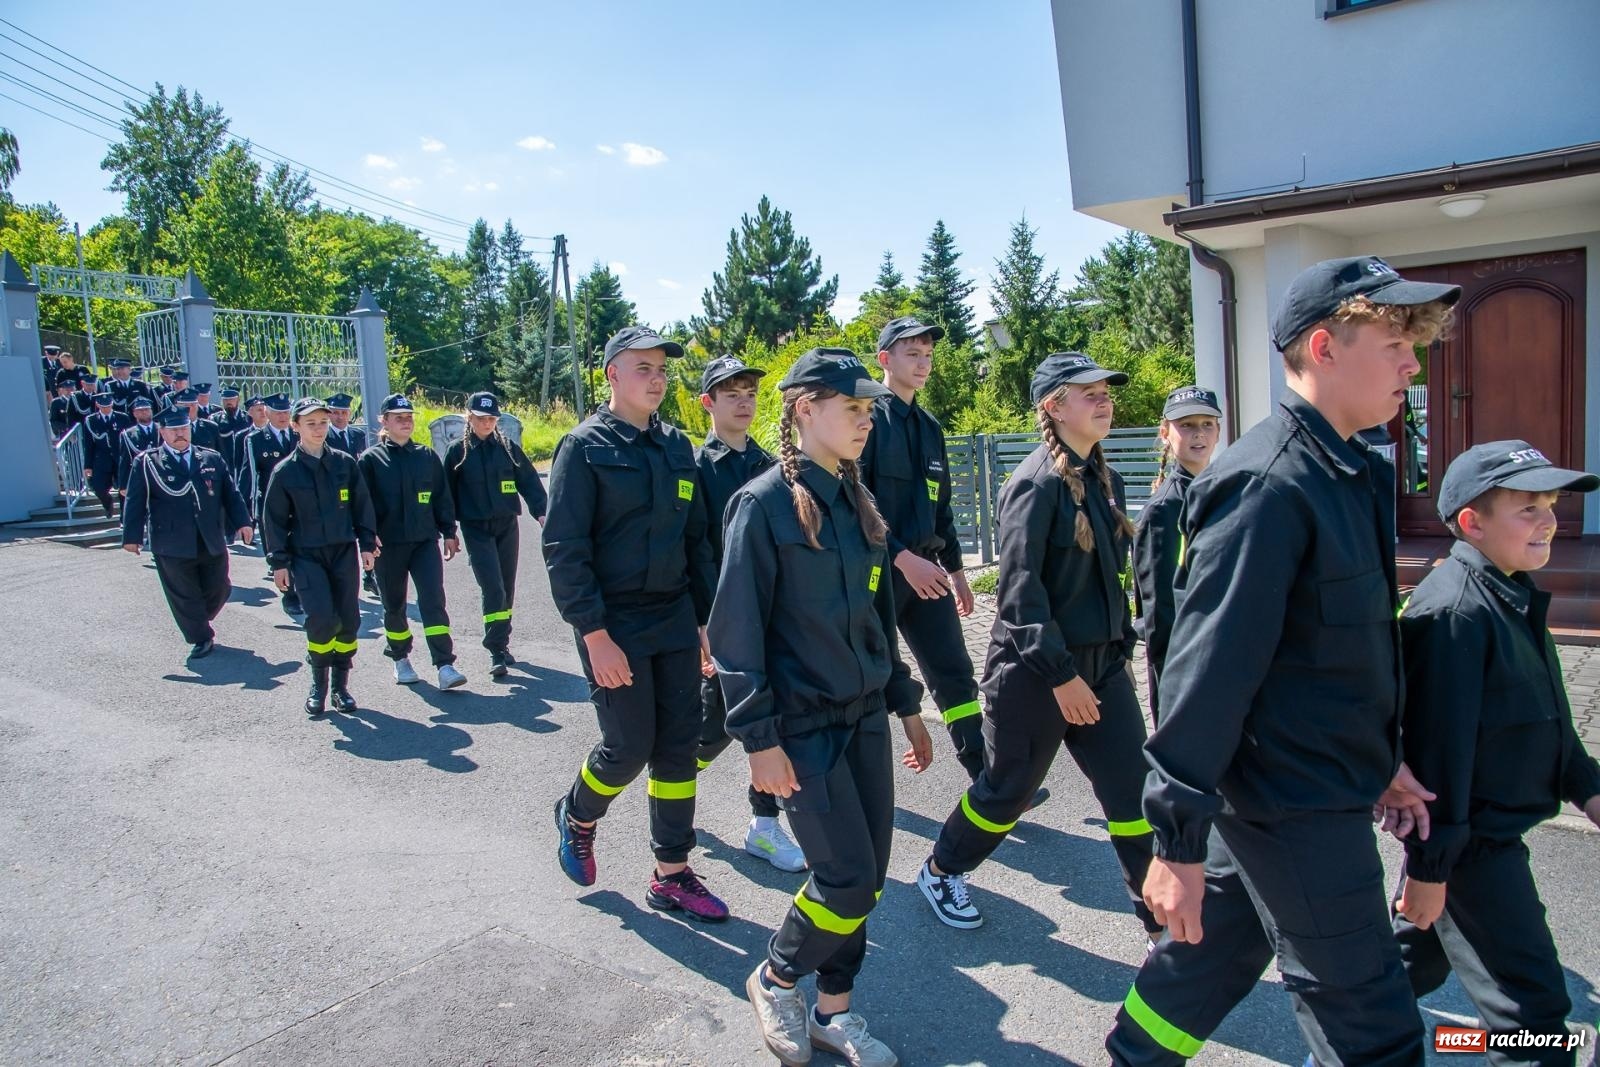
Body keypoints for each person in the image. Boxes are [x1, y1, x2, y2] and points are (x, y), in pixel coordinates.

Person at [1106, 256, 1458, 1066]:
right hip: (1295, 807)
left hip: (1299, 786)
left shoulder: (1354, 470)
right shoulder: (1266, 484)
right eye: (1394, 342)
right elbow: (1206, 673)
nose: (1413, 362)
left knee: (1206, 963)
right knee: (1378, 1032)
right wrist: (1175, 841)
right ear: (1325, 347)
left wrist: (1380, 758)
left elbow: (1336, 656)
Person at [711, 348, 933, 1067]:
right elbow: (735, 632)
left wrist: (905, 703)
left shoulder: (858, 504)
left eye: (869, 409)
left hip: (864, 716)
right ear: (806, 410)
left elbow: (877, 620)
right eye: (853, 408)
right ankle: (776, 976)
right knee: (844, 880)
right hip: (800, 726)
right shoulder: (762, 505)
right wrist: (757, 740)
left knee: (868, 881)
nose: (866, 420)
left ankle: (834, 1011)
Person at [914, 353, 1160, 941]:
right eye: (1088, 392)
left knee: (1134, 797)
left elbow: (1109, 583)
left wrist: (1118, 652)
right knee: (1006, 792)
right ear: (1054, 406)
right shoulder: (1033, 484)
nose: (1104, 400)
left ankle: (1160, 929)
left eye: (1106, 390)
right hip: (1035, 674)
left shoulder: (1107, 479)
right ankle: (941, 870)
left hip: (1100, 669)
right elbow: (1020, 598)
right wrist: (1061, 676)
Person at [1391, 442, 1600, 1066]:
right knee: (1532, 1012)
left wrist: (1588, 787)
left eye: (1550, 505)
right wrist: (1431, 870)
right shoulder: (1455, 613)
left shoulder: (1512, 593)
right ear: (1472, 523)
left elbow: (1550, 721)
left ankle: (1343, 1048)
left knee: (1402, 974)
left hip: (1473, 842)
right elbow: (1437, 761)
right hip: (1471, 849)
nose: (1548, 520)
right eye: (1527, 508)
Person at [544, 326, 723, 920]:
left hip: (673, 615)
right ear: (612, 375)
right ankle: (577, 814)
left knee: (678, 748)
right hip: (612, 621)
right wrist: (594, 635)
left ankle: (672, 872)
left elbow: (696, 542)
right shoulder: (583, 447)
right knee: (627, 747)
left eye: (662, 369)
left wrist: (704, 621)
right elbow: (565, 548)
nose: (656, 379)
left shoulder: (677, 448)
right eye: (643, 368)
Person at [858, 316, 990, 791]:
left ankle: (986, 779)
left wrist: (956, 571)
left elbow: (941, 507)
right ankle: (855, 783)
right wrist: (900, 557)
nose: (923, 363)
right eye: (912, 354)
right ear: (885, 359)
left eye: (928, 355)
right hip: (877, 572)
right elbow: (857, 501)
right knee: (870, 677)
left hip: (927, 571)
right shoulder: (867, 420)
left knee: (955, 671)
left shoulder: (930, 427)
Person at [692, 354, 805, 873]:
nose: (744, 402)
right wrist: (704, 627)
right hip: (723, 622)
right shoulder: (696, 468)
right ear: (707, 403)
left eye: (750, 393)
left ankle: (764, 825)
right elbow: (694, 552)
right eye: (731, 394)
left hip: (772, 616)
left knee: (772, 718)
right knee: (717, 726)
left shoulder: (769, 464)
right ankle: (673, 776)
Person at [262, 397, 378, 717]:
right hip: (306, 556)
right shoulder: (285, 472)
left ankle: (341, 687)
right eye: (310, 423)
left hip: (342, 552)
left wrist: (367, 544)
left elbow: (362, 506)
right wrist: (278, 563)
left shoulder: (344, 463)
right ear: (295, 426)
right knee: (322, 619)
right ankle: (319, 685)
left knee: (349, 620)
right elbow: (273, 521)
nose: (318, 429)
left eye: (323, 423)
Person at [120, 407, 252, 660]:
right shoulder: (148, 462)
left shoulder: (210, 458)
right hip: (171, 542)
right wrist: (132, 537)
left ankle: (197, 617)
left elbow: (231, 494)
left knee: (220, 587)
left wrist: (242, 522)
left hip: (209, 537)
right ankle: (200, 636)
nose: (180, 433)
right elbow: (135, 500)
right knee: (184, 593)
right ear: (162, 432)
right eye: (173, 430)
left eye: (183, 428)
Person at [358, 393, 467, 691]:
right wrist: (367, 539)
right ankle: (400, 658)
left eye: (409, 417)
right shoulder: (371, 460)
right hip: (388, 546)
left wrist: (449, 532)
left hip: (423, 543)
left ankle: (444, 664)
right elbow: (362, 505)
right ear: (384, 421)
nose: (406, 422)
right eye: (399, 418)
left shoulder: (426, 456)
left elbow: (442, 498)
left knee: (433, 601)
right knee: (394, 605)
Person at [1130, 386, 1222, 724]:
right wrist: (1176, 681)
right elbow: (1159, 612)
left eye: (1207, 424)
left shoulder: (1223, 490)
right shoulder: (1163, 510)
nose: (1199, 433)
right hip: (1185, 668)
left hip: (1222, 657)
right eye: (1186, 425)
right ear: (1165, 433)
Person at [443, 392, 547, 678]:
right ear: (469, 418)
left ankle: (502, 641)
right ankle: (495, 649)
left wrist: (542, 512)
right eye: (481, 418)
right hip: (476, 528)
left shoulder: (508, 448)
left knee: (506, 587)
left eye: (491, 418)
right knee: (493, 588)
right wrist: (449, 531)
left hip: (506, 526)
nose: (487, 423)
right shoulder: (457, 452)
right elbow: (445, 495)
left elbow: (529, 482)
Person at [245, 394, 300, 614]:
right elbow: (251, 475)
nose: (283, 416)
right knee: (279, 550)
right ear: (267, 412)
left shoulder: (298, 435)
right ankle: (289, 595)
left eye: (286, 412)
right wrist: (251, 512)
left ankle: (301, 589)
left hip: (299, 503)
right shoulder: (256, 439)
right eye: (278, 412)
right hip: (271, 505)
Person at [82, 392, 133, 519]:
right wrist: (88, 465)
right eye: (104, 406)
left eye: (109, 405)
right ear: (98, 405)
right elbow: (88, 444)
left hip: (120, 458)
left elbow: (130, 439)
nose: (106, 408)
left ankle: (124, 517)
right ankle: (107, 503)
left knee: (123, 489)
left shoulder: (122, 418)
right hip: (101, 459)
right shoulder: (91, 420)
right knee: (98, 487)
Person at [116, 397, 161, 502]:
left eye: (147, 409)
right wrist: (123, 484)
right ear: (134, 414)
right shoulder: (128, 434)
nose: (144, 412)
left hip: (161, 475)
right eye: (140, 410)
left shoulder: (163, 429)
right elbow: (125, 460)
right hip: (140, 476)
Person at [210, 388, 251, 474]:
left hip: (244, 464)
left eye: (231, 399)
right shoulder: (215, 419)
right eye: (225, 400)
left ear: (238, 400)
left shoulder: (248, 418)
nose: (228, 402)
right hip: (225, 466)